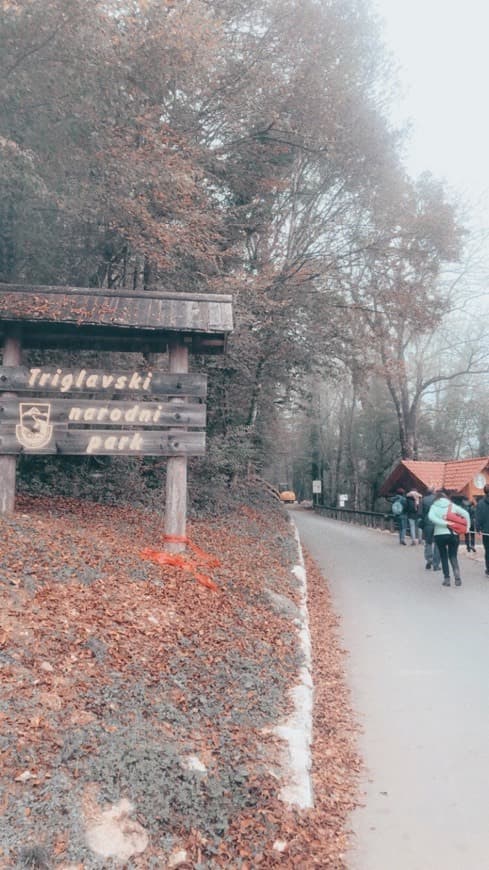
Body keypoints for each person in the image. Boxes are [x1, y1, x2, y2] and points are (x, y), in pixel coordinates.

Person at [428, 490, 470, 587]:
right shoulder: (452, 506)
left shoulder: (434, 506)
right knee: (453, 556)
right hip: (453, 534)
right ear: (445, 498)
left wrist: (444, 523)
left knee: (443, 556)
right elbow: (466, 514)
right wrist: (467, 528)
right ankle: (457, 575)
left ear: (437, 498)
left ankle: (447, 579)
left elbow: (431, 517)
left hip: (439, 535)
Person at [420, 487, 441, 571]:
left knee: (428, 542)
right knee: (438, 544)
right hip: (437, 524)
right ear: (434, 492)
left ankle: (429, 559)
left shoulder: (423, 500)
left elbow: (420, 513)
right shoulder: (438, 500)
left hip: (427, 524)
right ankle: (436, 564)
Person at [475, 485, 489, 576]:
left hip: (486, 531)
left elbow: (478, 517)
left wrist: (478, 528)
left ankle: (488, 569)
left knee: (488, 551)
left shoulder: (480, 503)